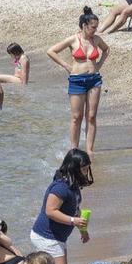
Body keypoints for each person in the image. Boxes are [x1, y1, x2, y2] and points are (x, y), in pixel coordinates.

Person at [48, 8, 110, 154]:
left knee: (92, 116)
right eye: (92, 27)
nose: (95, 30)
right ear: (83, 25)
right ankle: (74, 149)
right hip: (77, 80)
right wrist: (66, 66)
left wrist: (99, 64)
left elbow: (106, 50)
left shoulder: (97, 40)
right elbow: (51, 51)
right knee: (77, 117)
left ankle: (90, 150)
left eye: (96, 27)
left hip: (94, 80)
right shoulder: (73, 39)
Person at [31, 149, 93, 264]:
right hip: (46, 234)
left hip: (57, 235)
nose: (86, 172)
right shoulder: (61, 187)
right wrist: (72, 221)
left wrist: (82, 229)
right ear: (73, 169)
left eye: (87, 169)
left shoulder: (73, 186)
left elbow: (75, 209)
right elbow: (50, 211)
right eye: (83, 169)